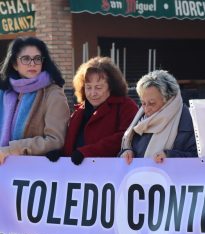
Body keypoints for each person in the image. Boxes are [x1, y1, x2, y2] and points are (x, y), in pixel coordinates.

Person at [47, 56, 138, 165]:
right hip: (79, 175)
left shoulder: (126, 106)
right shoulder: (80, 110)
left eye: (98, 87)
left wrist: (86, 153)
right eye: (88, 87)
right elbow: (73, 144)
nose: (93, 93)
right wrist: (61, 154)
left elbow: (124, 138)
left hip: (110, 174)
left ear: (111, 87)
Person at [0, 36, 70, 164]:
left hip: (33, 174)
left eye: (37, 59)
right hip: (4, 172)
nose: (32, 64)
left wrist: (12, 150)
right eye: (26, 59)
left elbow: (55, 141)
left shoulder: (53, 94)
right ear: (15, 64)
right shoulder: (4, 93)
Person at [120, 70, 197, 164]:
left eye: (152, 103)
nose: (146, 109)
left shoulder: (190, 120)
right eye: (143, 103)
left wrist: (169, 156)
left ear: (169, 101)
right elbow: (128, 149)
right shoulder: (140, 119)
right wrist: (125, 152)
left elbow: (199, 159)